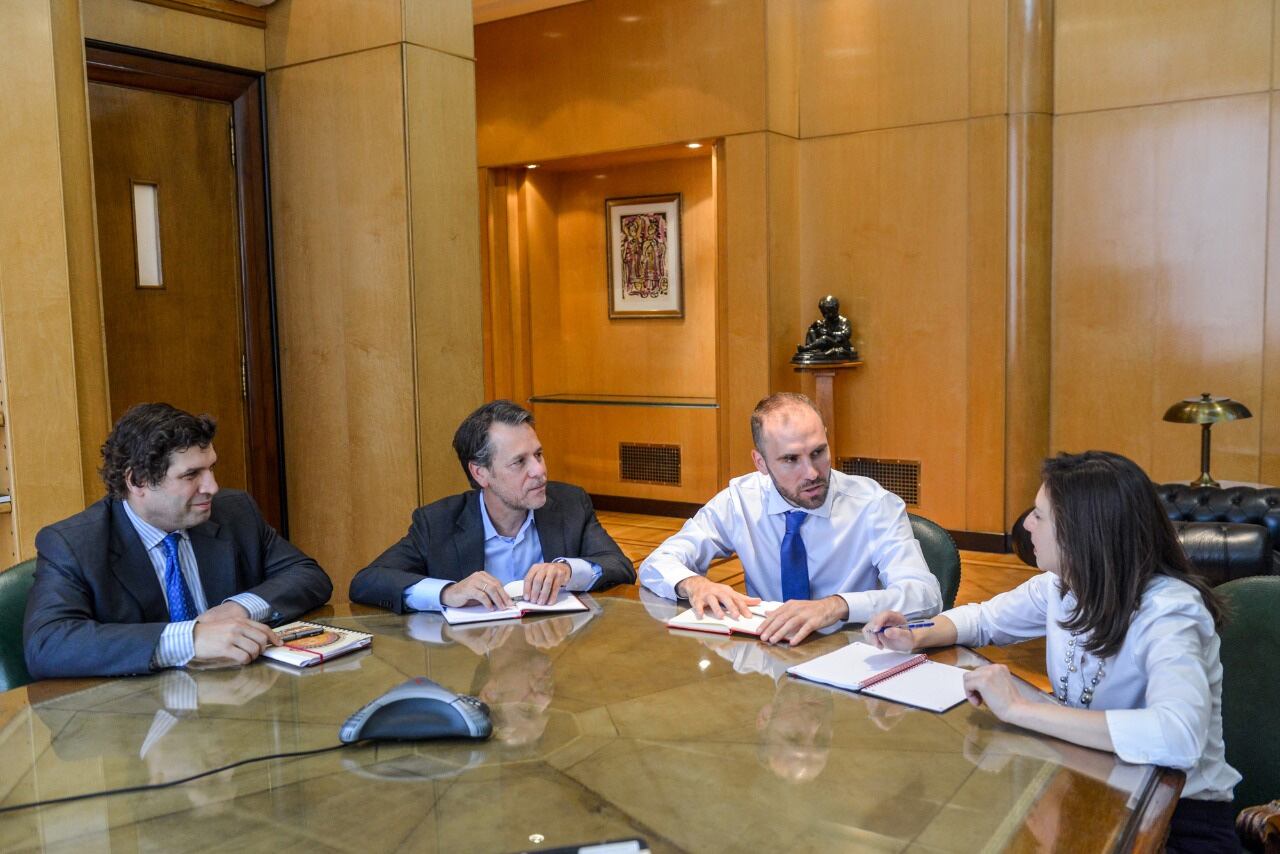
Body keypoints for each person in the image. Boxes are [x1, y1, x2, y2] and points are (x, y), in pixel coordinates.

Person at [864, 451, 1240, 853]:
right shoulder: (1062, 585)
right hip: (1091, 783)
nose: (1027, 524)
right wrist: (915, 633)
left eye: (1039, 515)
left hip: (1178, 817)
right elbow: (983, 620)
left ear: (1084, 532)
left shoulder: (1170, 611)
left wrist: (1021, 709)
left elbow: (1178, 737)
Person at [23, 403, 332, 680]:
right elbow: (48, 644)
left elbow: (308, 576)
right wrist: (189, 640)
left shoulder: (235, 511)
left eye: (211, 468)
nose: (212, 486)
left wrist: (240, 607)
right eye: (191, 475)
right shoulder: (74, 544)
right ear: (137, 481)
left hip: (235, 701)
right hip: (136, 726)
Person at [639, 393, 940, 645]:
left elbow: (924, 595)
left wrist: (837, 606)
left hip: (849, 651)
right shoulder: (740, 500)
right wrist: (694, 584)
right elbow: (657, 563)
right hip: (767, 655)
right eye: (790, 459)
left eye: (819, 452)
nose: (811, 472)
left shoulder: (874, 505)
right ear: (761, 463)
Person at [349, 400, 633, 613]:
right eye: (519, 462)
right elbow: (367, 582)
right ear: (480, 473)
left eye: (538, 454)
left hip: (554, 663)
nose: (539, 471)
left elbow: (620, 567)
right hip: (477, 669)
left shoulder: (570, 504)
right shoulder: (438, 522)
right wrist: (447, 592)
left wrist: (569, 571)